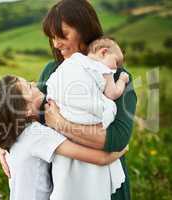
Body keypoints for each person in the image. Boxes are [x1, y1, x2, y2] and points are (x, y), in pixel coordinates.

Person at [0, 0, 137, 200]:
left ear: (84, 30)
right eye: (52, 37)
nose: (56, 43)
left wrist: (60, 124)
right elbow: (27, 109)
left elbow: (116, 139)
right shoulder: (53, 70)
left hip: (108, 190)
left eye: (62, 35)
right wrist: (5, 142)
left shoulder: (116, 77)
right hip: (64, 185)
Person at [0, 75, 127, 200]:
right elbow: (101, 159)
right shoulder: (36, 135)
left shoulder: (16, 134)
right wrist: (122, 146)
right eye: (29, 87)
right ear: (26, 110)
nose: (35, 84)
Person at [45, 37, 130, 199]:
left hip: (63, 117)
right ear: (104, 52)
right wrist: (122, 80)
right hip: (86, 121)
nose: (117, 68)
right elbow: (112, 94)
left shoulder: (72, 63)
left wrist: (59, 122)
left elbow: (49, 92)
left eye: (62, 35)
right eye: (116, 63)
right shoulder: (104, 70)